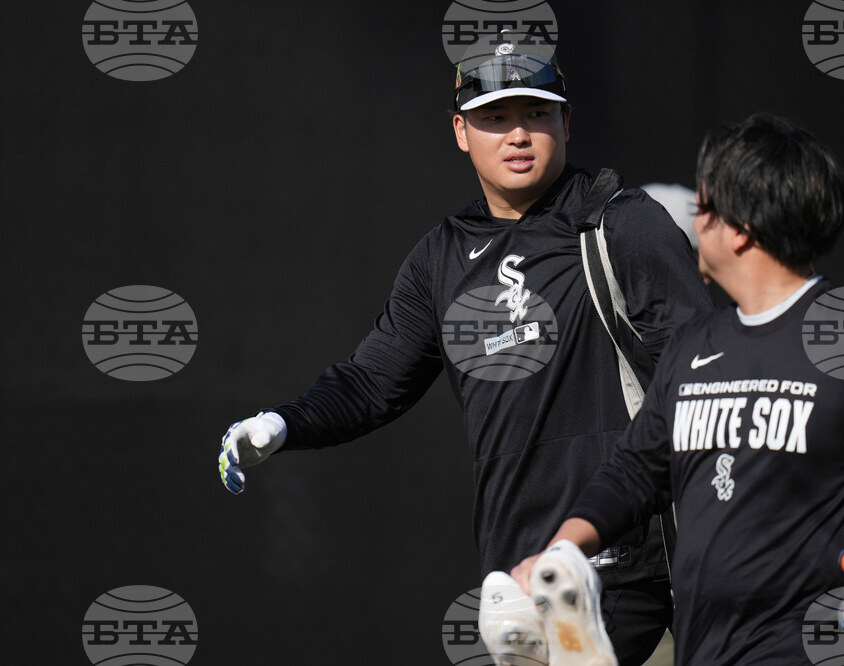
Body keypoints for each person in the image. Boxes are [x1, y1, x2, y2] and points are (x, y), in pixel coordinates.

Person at [217, 39, 713, 665]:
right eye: (495, 118)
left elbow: (704, 373)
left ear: (566, 122)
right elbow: (373, 382)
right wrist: (284, 423)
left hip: (629, 557)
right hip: (517, 568)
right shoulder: (442, 257)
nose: (518, 134)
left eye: (536, 114)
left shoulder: (620, 225)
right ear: (461, 132)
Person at [512, 113, 844, 664]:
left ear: (739, 228)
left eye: (703, 208)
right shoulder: (692, 345)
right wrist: (560, 554)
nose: (694, 224)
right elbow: (633, 474)